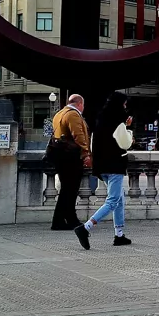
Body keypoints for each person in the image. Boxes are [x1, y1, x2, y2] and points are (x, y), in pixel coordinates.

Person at [75, 92, 133, 249]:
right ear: (120, 104)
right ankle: (86, 227)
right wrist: (128, 130)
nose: (125, 107)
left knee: (119, 198)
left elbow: (94, 142)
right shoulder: (118, 121)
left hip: (102, 166)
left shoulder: (101, 119)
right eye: (124, 104)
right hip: (115, 165)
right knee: (113, 200)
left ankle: (119, 235)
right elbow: (125, 143)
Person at [49, 94, 90, 232]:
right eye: (83, 105)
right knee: (70, 190)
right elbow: (79, 136)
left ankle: (60, 220)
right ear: (79, 104)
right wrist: (86, 154)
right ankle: (70, 220)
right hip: (71, 157)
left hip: (60, 156)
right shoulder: (73, 115)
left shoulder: (59, 114)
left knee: (66, 190)